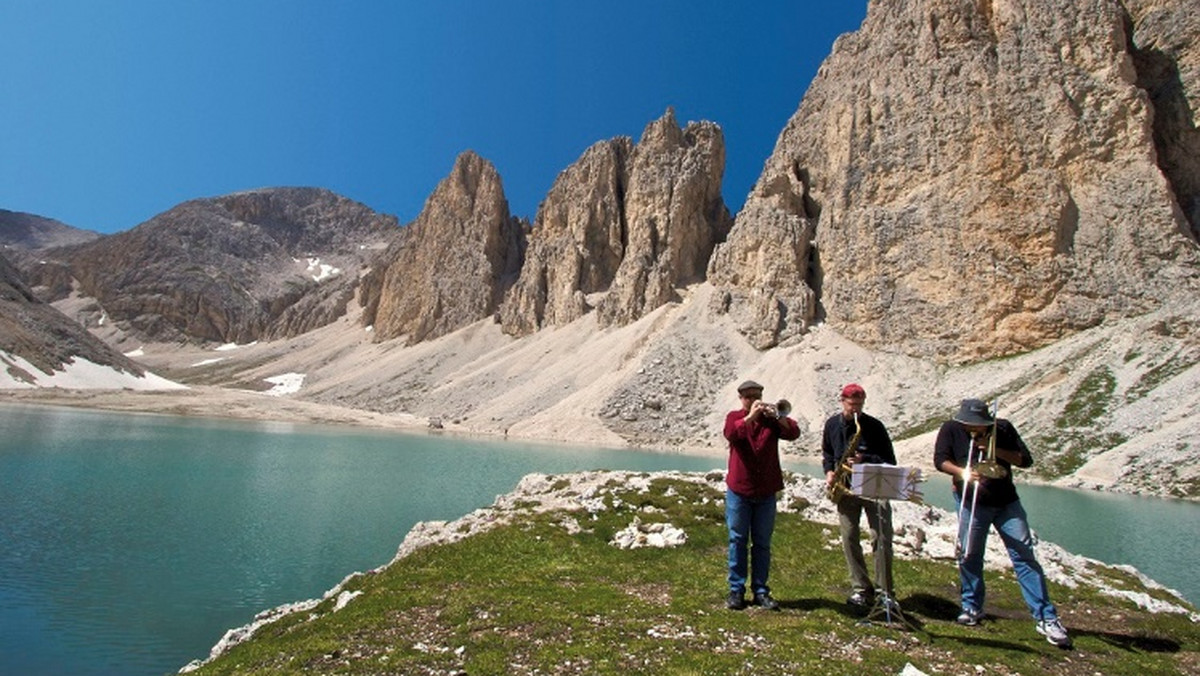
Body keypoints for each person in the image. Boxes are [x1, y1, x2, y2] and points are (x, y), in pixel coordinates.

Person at [933, 398, 1072, 648]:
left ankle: (1046, 617)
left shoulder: (1003, 428)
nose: (972, 429)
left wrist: (993, 449)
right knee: (969, 554)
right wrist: (961, 472)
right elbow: (940, 460)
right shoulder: (951, 428)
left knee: (1024, 555)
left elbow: (1024, 460)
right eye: (968, 425)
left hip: (1007, 502)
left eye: (977, 425)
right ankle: (972, 606)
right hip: (971, 501)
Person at [723, 379, 800, 611]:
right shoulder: (734, 417)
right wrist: (750, 417)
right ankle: (736, 590)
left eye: (756, 396)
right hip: (740, 489)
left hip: (766, 490)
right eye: (748, 397)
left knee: (762, 543)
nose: (753, 400)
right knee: (737, 539)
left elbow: (793, 432)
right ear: (741, 399)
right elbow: (731, 433)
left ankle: (760, 590)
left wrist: (779, 416)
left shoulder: (771, 420)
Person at [821, 383, 897, 610]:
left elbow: (890, 461)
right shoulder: (832, 424)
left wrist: (865, 459)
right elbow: (827, 452)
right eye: (852, 405)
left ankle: (886, 592)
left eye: (859, 405)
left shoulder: (874, 426)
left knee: (881, 537)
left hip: (874, 487)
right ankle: (861, 589)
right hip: (845, 487)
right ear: (842, 401)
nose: (856, 410)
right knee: (849, 537)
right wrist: (829, 471)